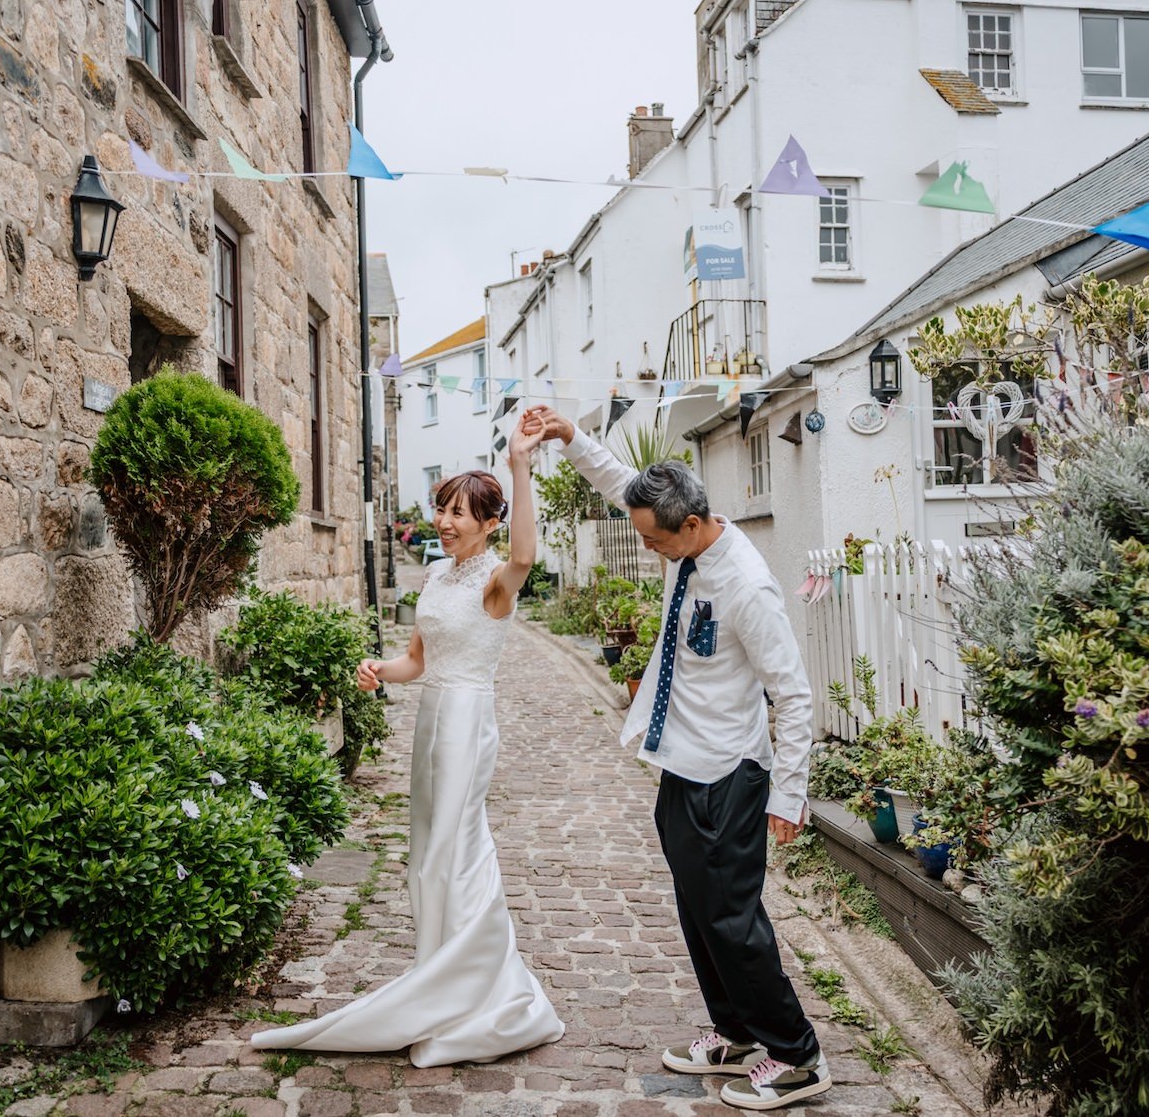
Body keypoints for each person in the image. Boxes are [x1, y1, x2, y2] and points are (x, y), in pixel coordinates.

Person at [519, 405, 829, 1111]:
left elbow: (795, 693)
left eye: (654, 541)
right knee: (697, 913)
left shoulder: (746, 586)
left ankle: (798, 1055)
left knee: (733, 921)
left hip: (730, 774)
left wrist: (789, 793)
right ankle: (736, 1032)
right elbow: (619, 480)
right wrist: (570, 438)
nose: (649, 549)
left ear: (690, 525)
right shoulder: (680, 535)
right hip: (681, 766)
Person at [249, 423, 564, 1066]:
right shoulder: (438, 579)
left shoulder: (496, 584)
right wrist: (377, 669)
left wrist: (519, 465)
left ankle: (472, 981)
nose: (445, 522)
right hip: (430, 719)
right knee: (426, 849)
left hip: (469, 720)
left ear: (490, 523)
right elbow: (419, 659)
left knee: (458, 842)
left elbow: (528, 556)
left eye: (460, 513)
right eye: (443, 509)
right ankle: (437, 966)